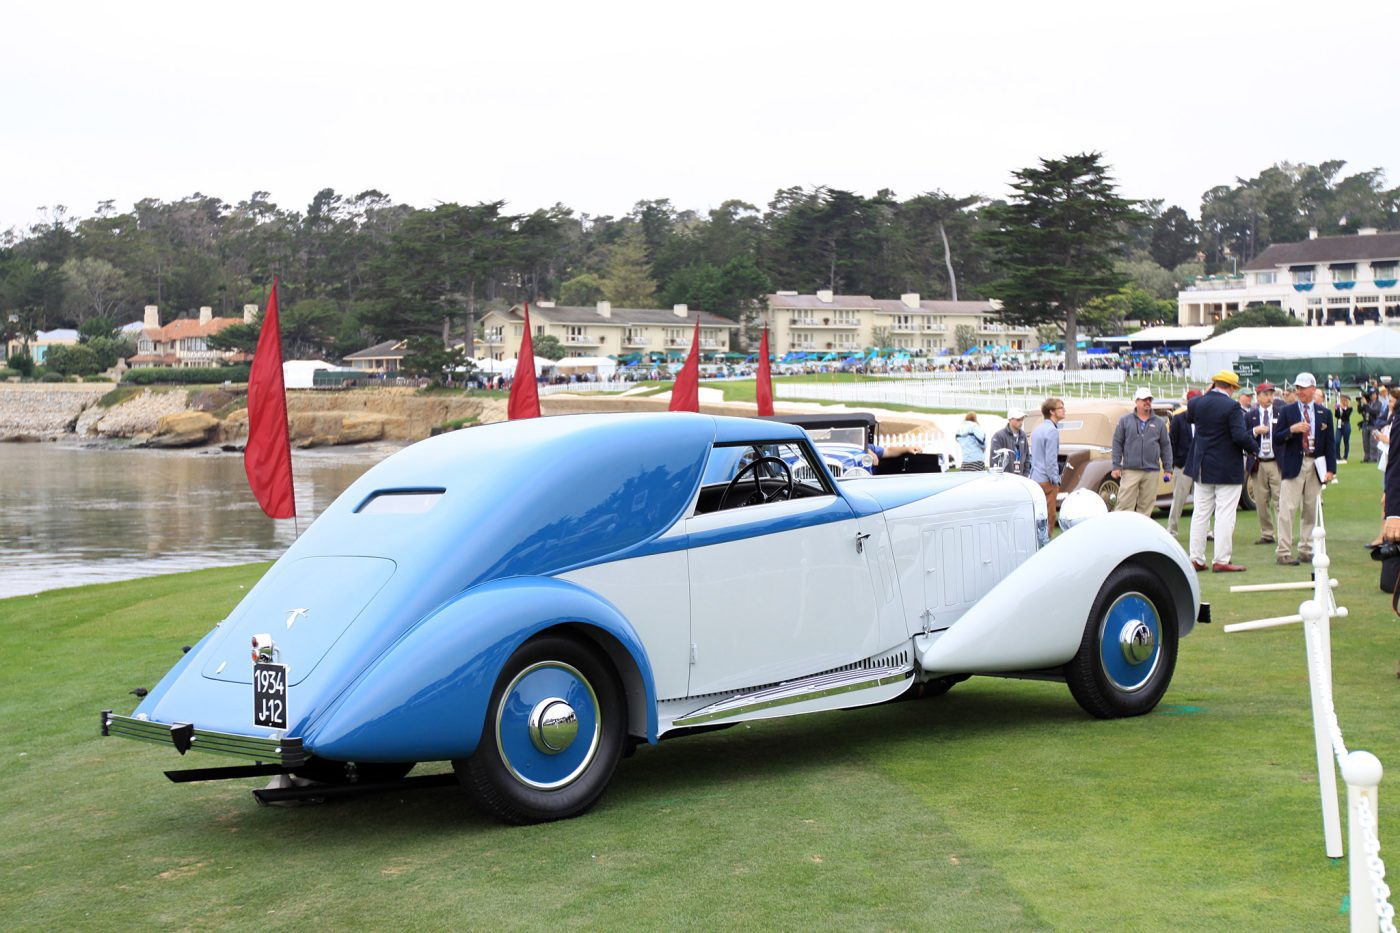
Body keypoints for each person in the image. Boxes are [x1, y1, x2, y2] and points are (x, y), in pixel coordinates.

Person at [1185, 370, 1257, 573]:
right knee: (1225, 514)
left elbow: (1191, 417)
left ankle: (1196, 558)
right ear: (1232, 388)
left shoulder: (1197, 403)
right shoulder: (1232, 406)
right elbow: (1239, 435)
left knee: (1200, 514)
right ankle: (1221, 559)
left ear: (1214, 384)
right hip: (1226, 467)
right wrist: (1254, 448)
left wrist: (1206, 393)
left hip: (1202, 466)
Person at [1273, 372, 1338, 566]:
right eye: (1298, 388)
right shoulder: (1287, 411)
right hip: (1294, 463)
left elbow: (1330, 444)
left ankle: (1306, 549)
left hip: (1315, 464)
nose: (1300, 391)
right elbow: (1277, 437)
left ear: (1313, 389)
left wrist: (1331, 469)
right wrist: (1292, 430)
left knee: (1310, 509)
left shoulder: (1324, 413)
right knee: (1287, 509)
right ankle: (1283, 551)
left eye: (1303, 388)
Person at [1111, 387, 1172, 515]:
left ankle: (1141, 529)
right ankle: (1120, 528)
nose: (1147, 402)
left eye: (1149, 399)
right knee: (1124, 506)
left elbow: (1166, 446)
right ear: (1137, 401)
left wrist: (1168, 469)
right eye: (1144, 399)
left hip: (1152, 471)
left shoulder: (1159, 423)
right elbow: (1117, 443)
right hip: (1130, 470)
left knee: (1146, 508)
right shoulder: (1125, 421)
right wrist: (1116, 465)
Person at [1245, 382, 1284, 546]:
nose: (1269, 398)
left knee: (1280, 500)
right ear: (1258, 396)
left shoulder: (1281, 413)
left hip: (1276, 462)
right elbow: (1243, 436)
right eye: (1266, 394)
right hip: (1258, 462)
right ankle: (1267, 533)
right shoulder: (1250, 416)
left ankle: (1283, 534)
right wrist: (1255, 431)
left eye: (1271, 394)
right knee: (1261, 501)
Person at [1166, 388, 1202, 537]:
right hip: (1183, 464)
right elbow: (1172, 443)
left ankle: (1204, 530)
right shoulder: (1179, 418)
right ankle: (1172, 529)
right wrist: (1174, 463)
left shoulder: (1204, 419)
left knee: (1203, 500)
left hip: (1200, 464)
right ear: (1188, 402)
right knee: (1179, 499)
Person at [1029, 397, 1065, 531]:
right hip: (1047, 480)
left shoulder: (1037, 429)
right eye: (1061, 407)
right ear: (1052, 411)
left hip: (1035, 477)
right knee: (1050, 518)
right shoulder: (1052, 431)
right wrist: (1055, 480)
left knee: (1038, 517)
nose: (1064, 410)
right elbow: (1051, 460)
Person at [989, 408, 1031, 475]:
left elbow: (1027, 457)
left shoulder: (1023, 435)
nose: (1021, 422)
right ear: (1010, 420)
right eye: (1018, 419)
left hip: (1021, 477)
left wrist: (1026, 475)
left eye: (1022, 419)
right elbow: (994, 460)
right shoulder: (999, 436)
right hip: (1005, 478)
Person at [1334, 393, 1354, 463]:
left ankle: (1345, 456)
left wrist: (1342, 408)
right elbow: (1337, 416)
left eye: (1344, 400)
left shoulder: (1349, 408)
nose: (1342, 401)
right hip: (1339, 425)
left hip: (1346, 425)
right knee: (1337, 441)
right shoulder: (1339, 407)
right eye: (1341, 399)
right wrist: (1336, 409)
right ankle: (1337, 456)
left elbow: (1346, 415)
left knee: (1346, 441)